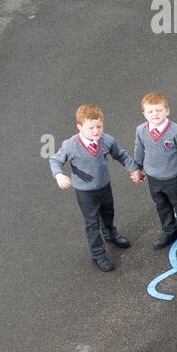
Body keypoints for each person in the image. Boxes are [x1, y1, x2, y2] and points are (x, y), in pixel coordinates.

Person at [50, 104, 140, 271]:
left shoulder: (106, 140)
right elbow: (55, 160)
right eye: (90, 127)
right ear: (79, 127)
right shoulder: (71, 145)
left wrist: (133, 169)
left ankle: (110, 234)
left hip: (104, 187)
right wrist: (59, 174)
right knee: (92, 223)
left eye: (99, 126)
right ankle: (98, 254)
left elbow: (120, 155)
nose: (96, 131)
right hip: (85, 193)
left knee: (108, 213)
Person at [131, 91, 177, 249]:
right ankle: (169, 230)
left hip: (173, 177)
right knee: (161, 205)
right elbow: (139, 150)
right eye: (150, 111)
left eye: (158, 110)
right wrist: (137, 169)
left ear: (167, 110)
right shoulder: (141, 130)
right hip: (153, 178)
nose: (155, 114)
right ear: (144, 114)